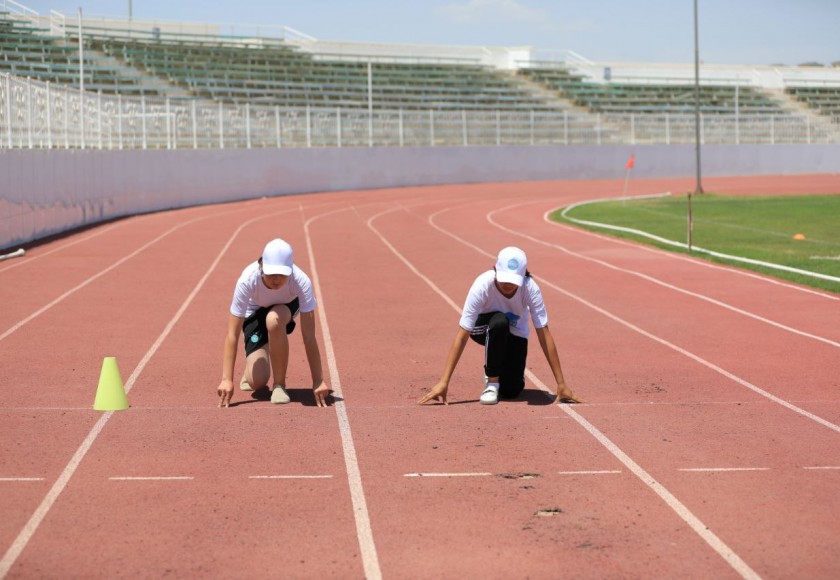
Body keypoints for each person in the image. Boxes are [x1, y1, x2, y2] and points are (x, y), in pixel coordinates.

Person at [419, 247, 581, 406]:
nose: (508, 284)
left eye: (513, 280)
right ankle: (492, 383)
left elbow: (544, 335)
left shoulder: (530, 288)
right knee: (499, 322)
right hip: (482, 328)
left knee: (511, 391)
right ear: (495, 269)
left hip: (515, 332)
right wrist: (443, 382)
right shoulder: (482, 284)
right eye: (504, 278)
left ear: (524, 275)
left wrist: (561, 383)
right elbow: (462, 335)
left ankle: (497, 369)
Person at [216, 238, 331, 408]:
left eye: (282, 274)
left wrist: (318, 381)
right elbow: (232, 334)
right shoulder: (247, 280)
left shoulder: (301, 280)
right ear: (262, 266)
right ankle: (251, 369)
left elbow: (309, 336)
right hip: (254, 312)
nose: (276, 279)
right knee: (257, 382)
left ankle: (279, 385)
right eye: (271, 273)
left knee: (274, 320)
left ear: (290, 269)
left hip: (284, 308)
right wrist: (226, 379)